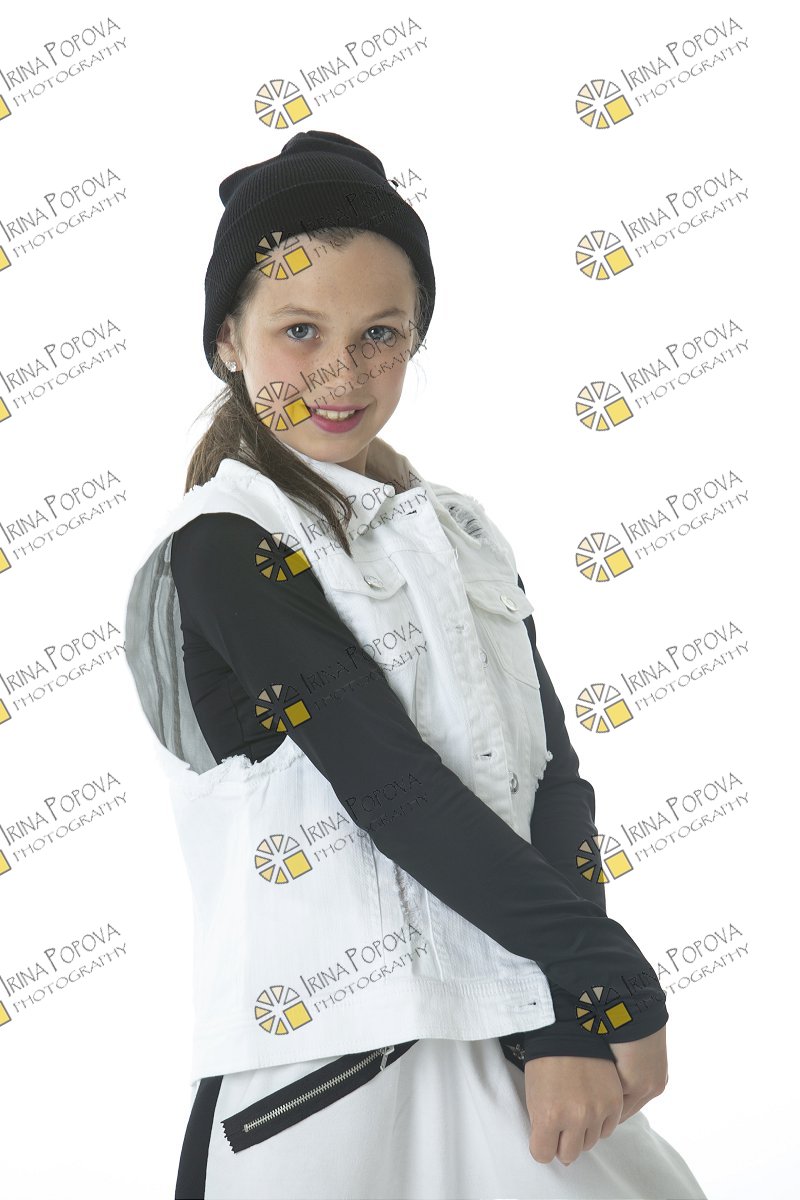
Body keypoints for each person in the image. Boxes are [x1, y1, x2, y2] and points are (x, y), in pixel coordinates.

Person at [123, 130, 708, 1200]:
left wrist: (567, 1022)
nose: (340, 375)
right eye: (300, 331)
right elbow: (390, 785)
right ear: (227, 341)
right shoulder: (224, 545)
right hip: (333, 1082)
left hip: (520, 1040)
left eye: (381, 334)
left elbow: (551, 779)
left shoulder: (460, 531)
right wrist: (605, 977)